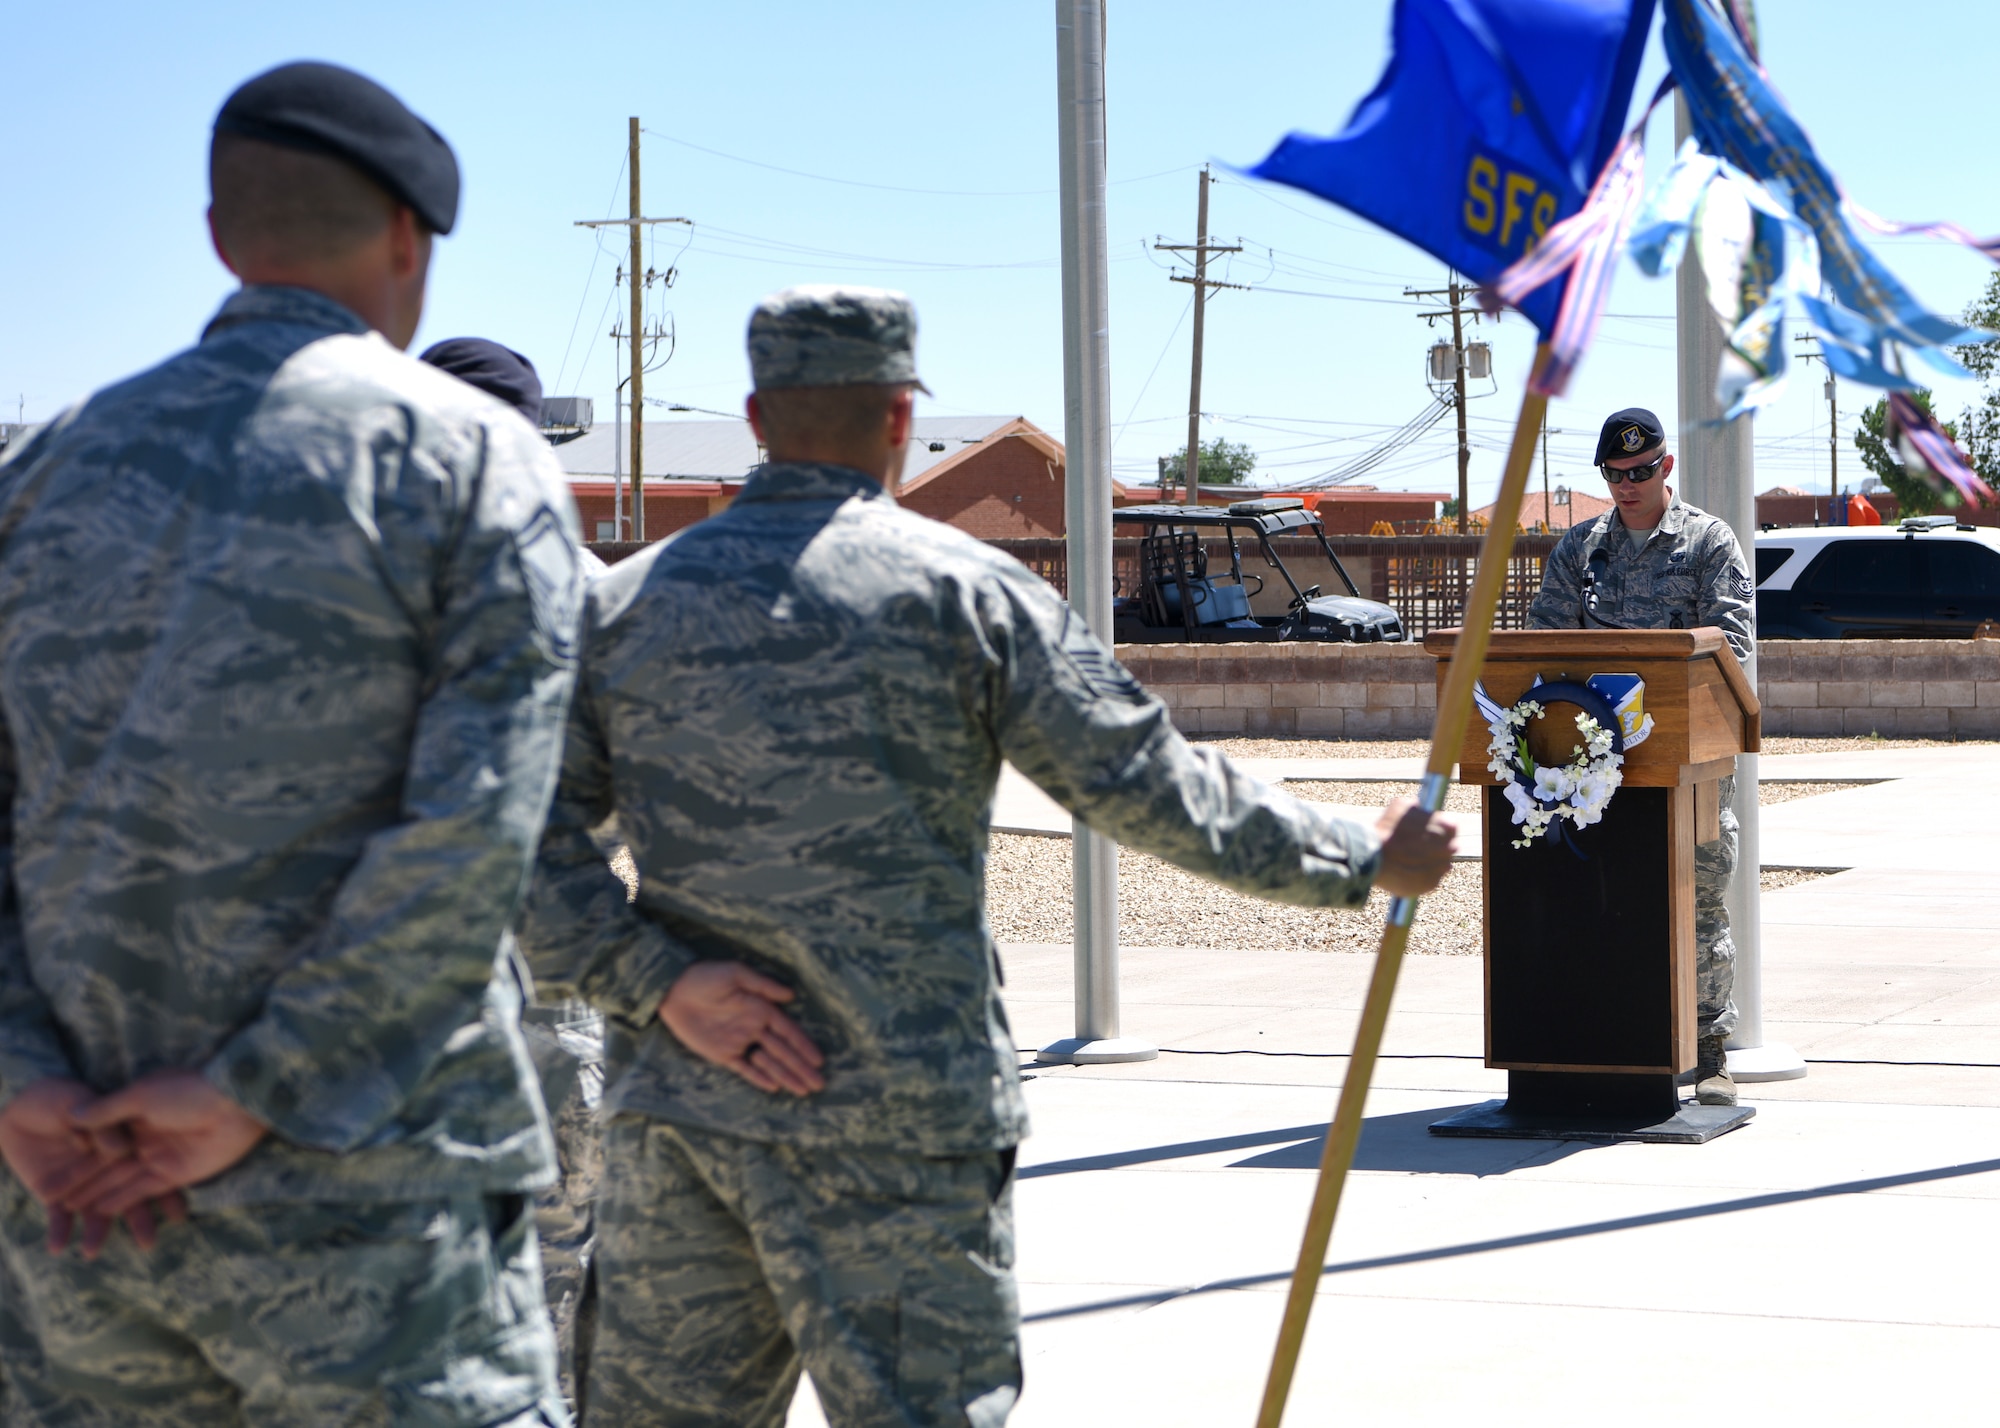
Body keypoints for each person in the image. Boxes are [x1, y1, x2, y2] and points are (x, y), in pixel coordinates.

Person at [515, 284, 1460, 1426]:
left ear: (757, 417)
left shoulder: (623, 604)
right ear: (902, 418)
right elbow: (1150, 788)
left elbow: (520, 848)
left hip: (684, 1124)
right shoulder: (967, 597)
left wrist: (660, 985)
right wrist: (1356, 855)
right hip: (901, 1131)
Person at [0, 61, 583, 1425]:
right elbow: (470, 841)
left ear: (219, 238)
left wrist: (21, 1078)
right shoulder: (471, 467)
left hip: (76, 1214)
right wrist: (248, 1090)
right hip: (374, 1221)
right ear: (407, 240)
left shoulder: (42, 470)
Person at [420, 336, 606, 1408]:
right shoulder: (594, 598)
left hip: (399, 1012)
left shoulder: (346, 581)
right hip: (556, 997)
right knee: (561, 1270)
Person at [1527, 406, 1755, 1108]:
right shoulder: (1579, 549)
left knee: (1700, 898)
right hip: (1594, 765)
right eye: (1616, 474)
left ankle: (1709, 1047)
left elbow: (1735, 651)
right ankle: (1610, 1039)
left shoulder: (1709, 543)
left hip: (1688, 762)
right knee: (1599, 897)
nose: (1629, 484)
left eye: (1642, 471)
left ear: (1667, 467)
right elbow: (1543, 648)